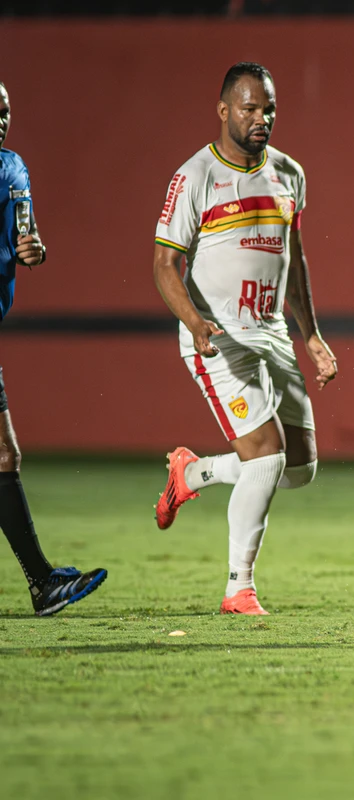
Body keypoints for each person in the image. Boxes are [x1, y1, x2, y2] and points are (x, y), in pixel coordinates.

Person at [151, 63, 337, 615]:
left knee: (298, 467)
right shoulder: (195, 176)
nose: (262, 118)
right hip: (220, 337)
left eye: (269, 108)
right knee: (265, 455)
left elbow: (294, 260)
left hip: (273, 334)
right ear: (224, 110)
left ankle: (194, 473)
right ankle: (239, 587)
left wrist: (312, 335)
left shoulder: (289, 173)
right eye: (250, 108)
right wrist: (194, 322)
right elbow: (163, 265)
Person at [0, 81, 108, 615]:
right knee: (4, 454)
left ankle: (42, 581)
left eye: (5, 111)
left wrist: (33, 249)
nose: (1, 121)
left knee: (4, 455)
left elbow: (27, 235)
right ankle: (42, 583)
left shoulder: (12, 168)